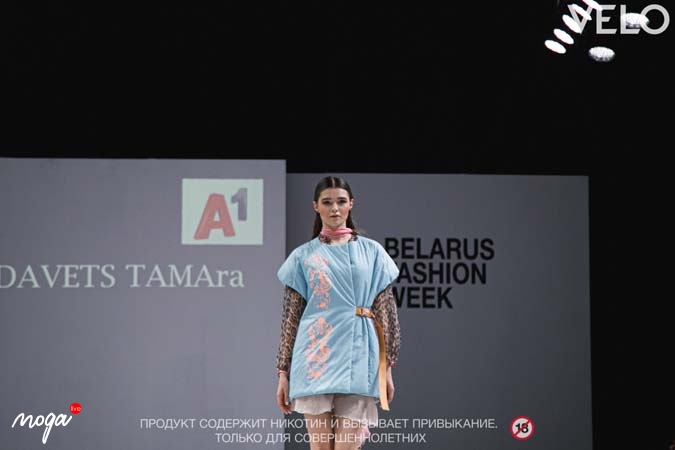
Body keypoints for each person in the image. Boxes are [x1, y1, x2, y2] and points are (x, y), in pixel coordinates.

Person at [275, 175, 401, 450]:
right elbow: (291, 317)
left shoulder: (372, 252)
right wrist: (283, 372)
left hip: (360, 354)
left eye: (341, 202)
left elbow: (386, 313)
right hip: (315, 356)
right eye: (327, 202)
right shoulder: (303, 256)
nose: (334, 208)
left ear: (351, 204)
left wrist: (387, 368)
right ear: (315, 206)